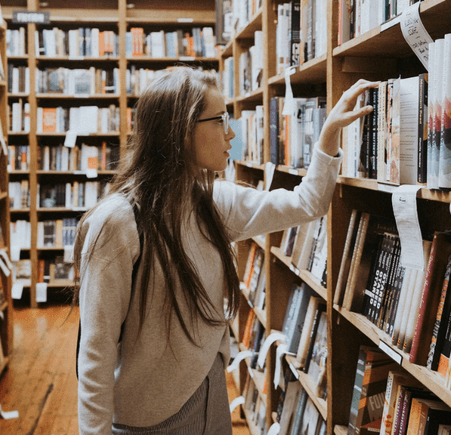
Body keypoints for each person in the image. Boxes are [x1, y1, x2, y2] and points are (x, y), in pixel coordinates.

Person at [74, 66, 377, 434]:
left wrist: (328, 136)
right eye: (220, 120)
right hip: (148, 419)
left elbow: (307, 203)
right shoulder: (117, 223)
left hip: (210, 395)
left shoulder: (215, 203)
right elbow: (96, 350)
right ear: (181, 132)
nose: (231, 132)